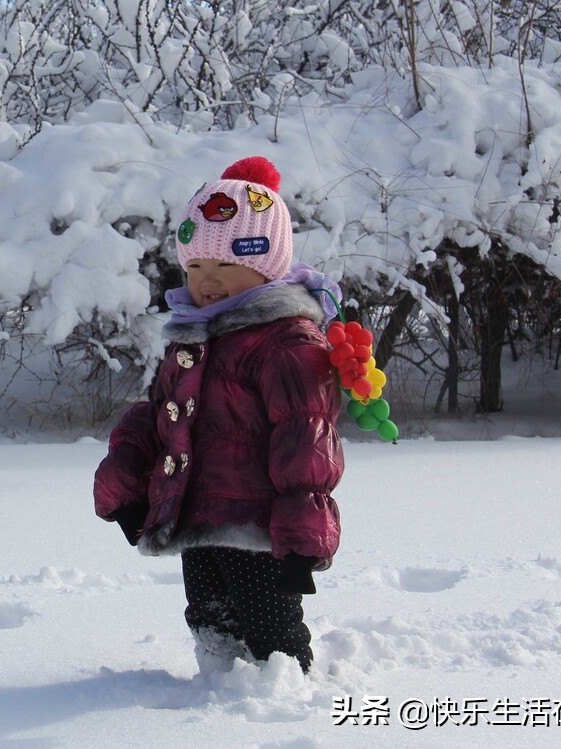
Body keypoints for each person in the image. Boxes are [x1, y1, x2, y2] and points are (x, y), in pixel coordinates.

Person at [93, 155, 344, 675]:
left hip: (257, 526)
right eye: (196, 267)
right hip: (195, 515)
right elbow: (159, 415)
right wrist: (123, 485)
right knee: (207, 617)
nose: (208, 280)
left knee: (269, 628)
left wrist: (303, 537)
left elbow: (307, 440)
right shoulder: (193, 337)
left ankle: (286, 696)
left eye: (225, 265)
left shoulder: (287, 342)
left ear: (266, 263)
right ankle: (219, 691)